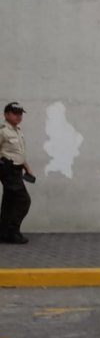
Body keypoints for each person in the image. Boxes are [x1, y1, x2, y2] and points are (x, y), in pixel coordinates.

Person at [1, 102, 34, 244]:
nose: (18, 116)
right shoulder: (2, 131)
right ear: (6, 114)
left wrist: (27, 168)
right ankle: (13, 232)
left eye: (20, 113)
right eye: (15, 113)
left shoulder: (18, 131)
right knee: (23, 201)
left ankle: (3, 233)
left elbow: (20, 153)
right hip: (7, 169)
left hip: (17, 170)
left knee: (9, 202)